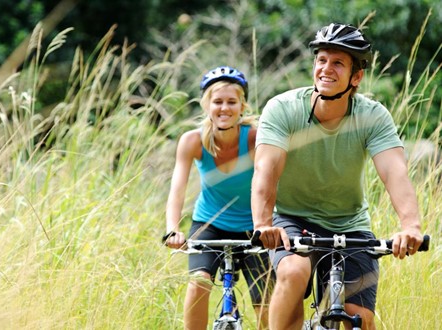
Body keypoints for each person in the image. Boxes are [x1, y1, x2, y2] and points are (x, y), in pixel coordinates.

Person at [251, 23, 424, 330]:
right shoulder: (283, 109)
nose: (326, 69)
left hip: (350, 225)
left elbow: (394, 172)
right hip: (293, 219)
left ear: (356, 77)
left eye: (338, 63)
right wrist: (263, 224)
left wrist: (410, 227)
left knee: (361, 318)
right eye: (321, 60)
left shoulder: (372, 116)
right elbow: (266, 170)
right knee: (292, 272)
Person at [163, 66, 273, 330]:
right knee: (199, 282)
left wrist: (269, 225)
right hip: (209, 224)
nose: (225, 108)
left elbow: (272, 182)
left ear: (242, 105)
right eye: (218, 102)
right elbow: (177, 188)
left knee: (266, 300)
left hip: (254, 226)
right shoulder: (192, 141)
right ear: (206, 105)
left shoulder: (256, 138)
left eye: (231, 102)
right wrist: (172, 230)